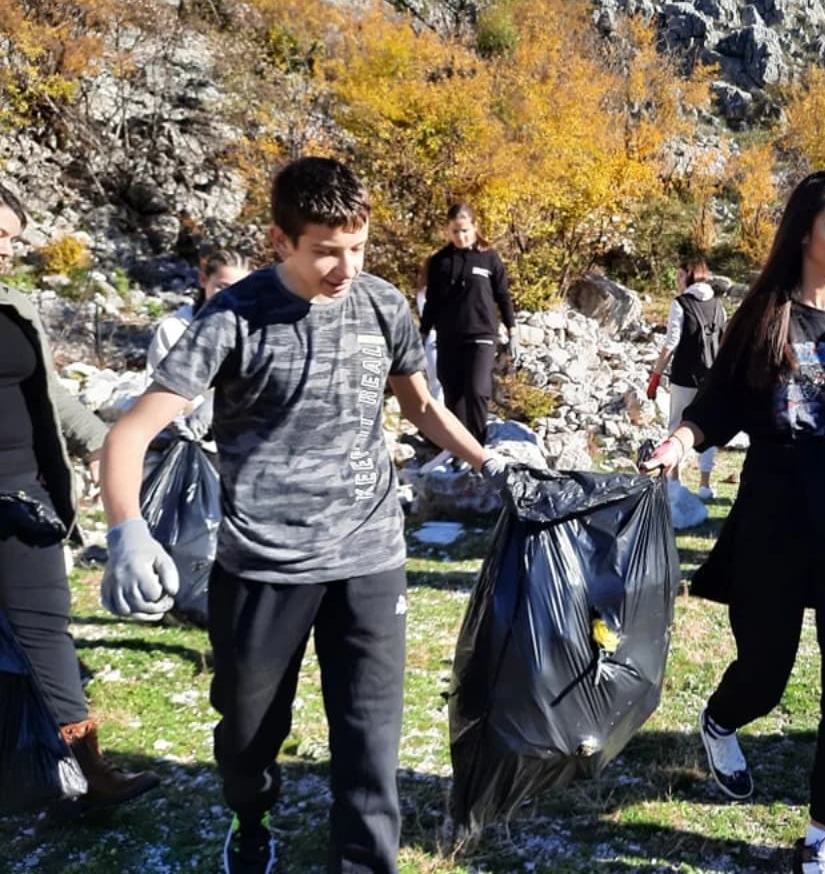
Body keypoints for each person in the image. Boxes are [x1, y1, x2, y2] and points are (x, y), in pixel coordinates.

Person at [98, 158, 509, 874]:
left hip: (371, 555)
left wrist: (489, 460)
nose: (344, 267)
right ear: (280, 241)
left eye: (357, 247)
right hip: (264, 565)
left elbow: (422, 407)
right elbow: (130, 433)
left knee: (371, 747)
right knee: (249, 738)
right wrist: (126, 530)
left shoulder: (383, 304)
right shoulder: (232, 318)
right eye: (325, 249)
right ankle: (251, 818)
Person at [641, 171, 825, 874]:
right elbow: (719, 405)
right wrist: (678, 442)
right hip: (773, 515)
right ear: (803, 229)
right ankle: (721, 720)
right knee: (766, 670)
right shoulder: (764, 312)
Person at [0, 182, 161, 812]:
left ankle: (88, 771)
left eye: (10, 240)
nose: (4, 250)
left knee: (45, 631)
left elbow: (48, 392)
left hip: (23, 497)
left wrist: (102, 442)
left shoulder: (13, 306)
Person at [417, 203, 518, 451]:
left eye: (464, 230)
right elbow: (433, 302)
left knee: (477, 388)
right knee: (452, 390)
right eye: (454, 232)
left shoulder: (489, 257)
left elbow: (503, 295)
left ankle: (478, 448)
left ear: (474, 227)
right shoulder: (440, 261)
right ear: (447, 231)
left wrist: (513, 329)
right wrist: (422, 333)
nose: (460, 237)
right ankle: (457, 448)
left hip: (482, 333)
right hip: (449, 335)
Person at [146, 250, 251, 438]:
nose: (230, 296)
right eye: (222, 286)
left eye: (239, 288)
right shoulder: (175, 329)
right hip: (184, 428)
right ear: (203, 280)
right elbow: (162, 390)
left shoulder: (253, 329)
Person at [645, 256, 726, 499]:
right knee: (708, 427)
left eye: (680, 275)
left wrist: (656, 375)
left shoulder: (680, 304)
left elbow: (671, 343)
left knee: (676, 426)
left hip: (683, 376)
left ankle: (675, 480)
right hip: (711, 377)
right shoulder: (718, 305)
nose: (678, 280)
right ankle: (705, 485)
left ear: (690, 276)